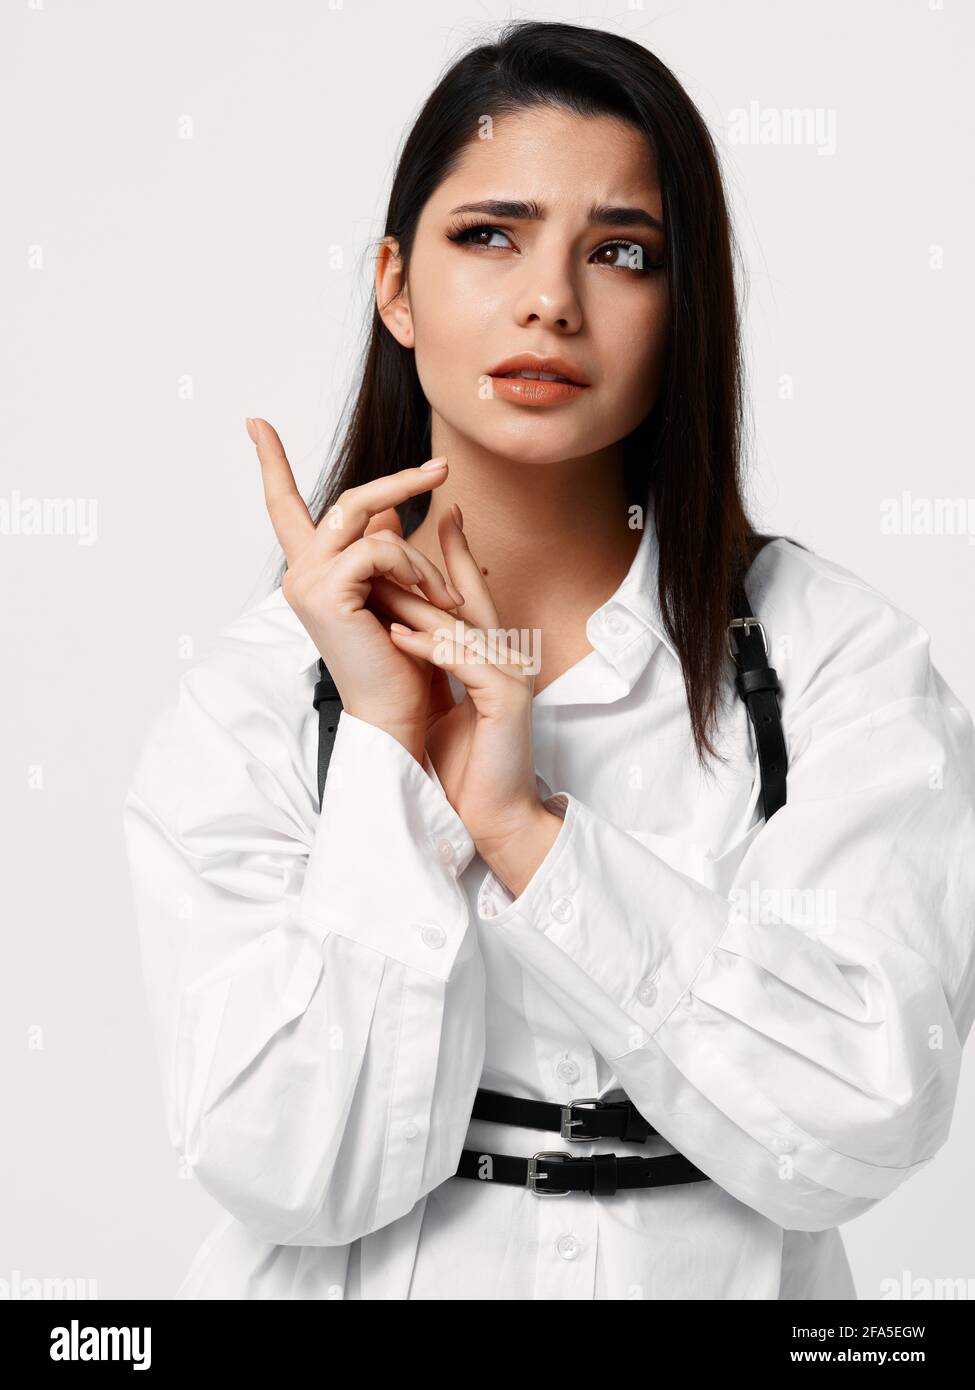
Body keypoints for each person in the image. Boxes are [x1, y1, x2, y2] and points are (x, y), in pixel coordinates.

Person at [122, 20, 975, 1299]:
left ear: (684, 307)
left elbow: (861, 1116)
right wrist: (385, 748)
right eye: (491, 236)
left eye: (621, 253)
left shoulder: (834, 656)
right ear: (396, 287)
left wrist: (528, 830)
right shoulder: (257, 691)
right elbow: (288, 1168)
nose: (550, 301)